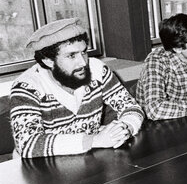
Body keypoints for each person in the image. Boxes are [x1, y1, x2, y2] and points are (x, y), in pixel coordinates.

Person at [9, 18, 144, 158]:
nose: (83, 62)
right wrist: (93, 140)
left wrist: (125, 127)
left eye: (84, 52)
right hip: (40, 167)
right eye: (71, 56)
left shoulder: (97, 70)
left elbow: (131, 107)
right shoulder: (27, 86)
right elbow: (27, 143)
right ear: (48, 60)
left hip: (88, 158)